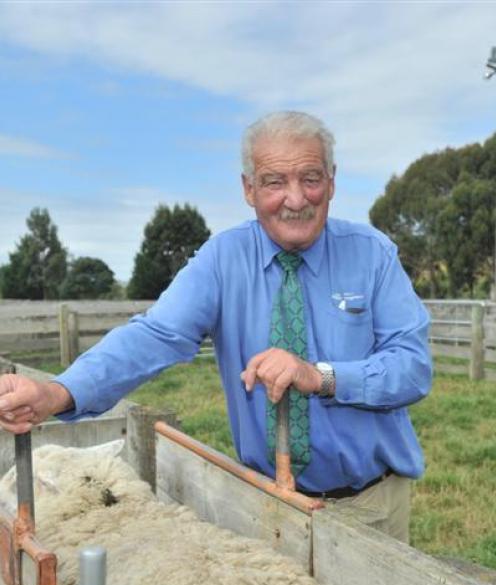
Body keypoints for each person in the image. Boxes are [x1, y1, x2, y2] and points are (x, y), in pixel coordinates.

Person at [0, 111, 432, 543]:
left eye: (311, 178)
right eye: (274, 182)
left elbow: (412, 368)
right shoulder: (223, 259)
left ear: (332, 182)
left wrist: (319, 376)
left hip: (371, 507)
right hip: (266, 504)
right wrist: (57, 393)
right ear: (249, 188)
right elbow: (154, 335)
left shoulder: (373, 256)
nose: (296, 199)